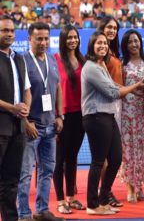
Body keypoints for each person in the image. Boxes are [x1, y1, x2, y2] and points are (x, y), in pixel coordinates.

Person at [81, 31, 144, 215]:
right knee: (98, 162)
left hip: (108, 116)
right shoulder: (91, 67)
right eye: (98, 43)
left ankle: (103, 199)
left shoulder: (101, 65)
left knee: (116, 158)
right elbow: (113, 93)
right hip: (95, 117)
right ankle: (92, 205)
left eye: (104, 43)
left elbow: (114, 86)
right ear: (92, 46)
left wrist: (137, 88)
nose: (102, 46)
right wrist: (137, 85)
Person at [17, 22, 65, 221]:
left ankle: (42, 210)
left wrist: (60, 115)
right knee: (26, 173)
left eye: (46, 38)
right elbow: (17, 94)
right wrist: (25, 122)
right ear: (30, 39)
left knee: (47, 171)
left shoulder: (53, 59)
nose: (43, 42)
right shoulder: (22, 61)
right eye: (39, 39)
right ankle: (24, 214)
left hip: (50, 127)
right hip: (31, 128)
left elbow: (58, 87)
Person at [118, 29, 144, 203]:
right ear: (125, 46)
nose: (134, 44)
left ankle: (141, 183)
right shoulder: (122, 65)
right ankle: (130, 188)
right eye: (130, 42)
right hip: (127, 114)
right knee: (128, 150)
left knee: (143, 149)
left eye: (136, 41)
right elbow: (118, 88)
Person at [0, 15, 31, 221]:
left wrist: (25, 108)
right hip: (1, 127)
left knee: (11, 180)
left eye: (11, 31)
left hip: (18, 129)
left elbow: (27, 89)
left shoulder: (19, 58)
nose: (9, 34)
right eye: (4, 31)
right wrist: (13, 108)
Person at [53, 25, 86, 214]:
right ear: (63, 40)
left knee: (72, 158)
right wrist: (56, 116)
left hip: (80, 116)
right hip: (62, 117)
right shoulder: (55, 60)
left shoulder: (83, 60)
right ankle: (59, 201)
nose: (73, 40)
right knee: (59, 160)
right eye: (69, 38)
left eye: (75, 37)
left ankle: (71, 198)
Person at [97, 16, 124, 208]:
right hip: (103, 107)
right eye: (109, 27)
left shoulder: (113, 52)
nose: (112, 30)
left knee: (113, 155)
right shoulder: (99, 54)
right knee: (105, 156)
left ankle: (105, 191)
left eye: (115, 28)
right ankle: (104, 193)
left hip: (117, 107)